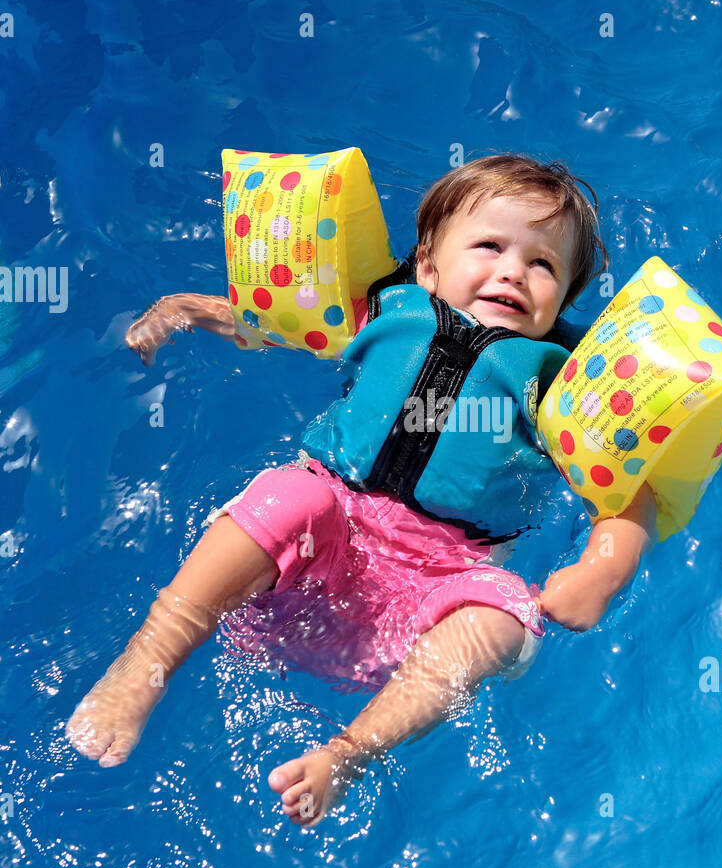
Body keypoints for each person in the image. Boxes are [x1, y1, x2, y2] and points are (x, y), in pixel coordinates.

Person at [66, 155, 655, 827]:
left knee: (504, 615)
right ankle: (149, 658)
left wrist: (602, 570)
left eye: (543, 265)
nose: (514, 271)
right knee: (290, 495)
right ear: (428, 266)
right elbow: (273, 322)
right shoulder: (387, 309)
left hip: (439, 581)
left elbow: (627, 489)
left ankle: (346, 755)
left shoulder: (560, 380)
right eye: (489, 246)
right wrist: (189, 310)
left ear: (561, 302)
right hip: (329, 531)